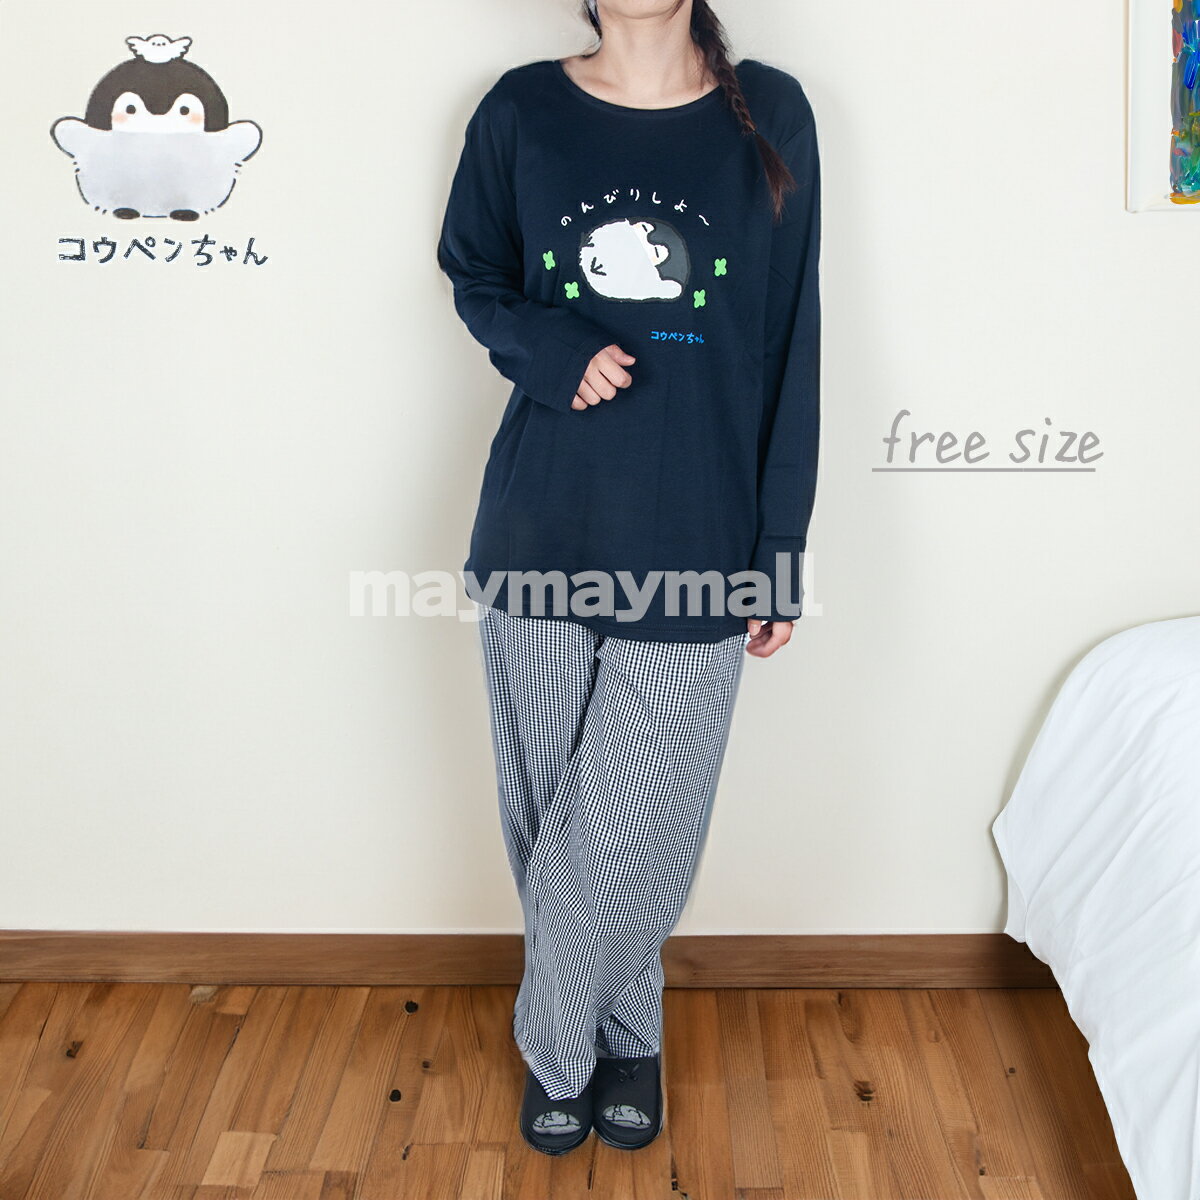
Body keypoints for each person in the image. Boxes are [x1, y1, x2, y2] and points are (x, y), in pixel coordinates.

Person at [436, 0, 821, 1156]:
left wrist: (779, 556)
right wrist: (553, 352)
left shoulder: (772, 114)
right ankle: (629, 1034)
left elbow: (791, 340)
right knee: (548, 813)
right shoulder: (521, 109)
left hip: (701, 529)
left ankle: (562, 1047)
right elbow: (472, 272)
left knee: (632, 819)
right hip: (540, 522)